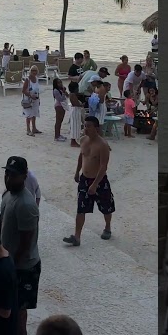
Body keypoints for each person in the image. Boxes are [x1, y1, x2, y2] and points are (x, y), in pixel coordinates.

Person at [0, 156, 41, 335]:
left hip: (23, 268)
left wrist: (10, 267)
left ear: (24, 176)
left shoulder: (27, 205)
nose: (8, 178)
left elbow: (26, 244)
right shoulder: (7, 195)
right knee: (6, 310)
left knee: (18, 314)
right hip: (7, 262)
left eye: (13, 175)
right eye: (7, 173)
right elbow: (0, 222)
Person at [63, 117, 114, 246]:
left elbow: (103, 166)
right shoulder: (83, 140)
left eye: (89, 126)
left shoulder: (103, 145)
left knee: (106, 207)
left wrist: (95, 184)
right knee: (81, 208)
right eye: (85, 126)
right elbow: (82, 156)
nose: (86, 128)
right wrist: (77, 172)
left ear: (96, 128)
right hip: (84, 179)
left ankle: (107, 227)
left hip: (99, 181)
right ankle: (77, 237)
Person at [22, 66, 43, 136]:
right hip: (28, 99)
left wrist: (38, 99)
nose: (34, 72)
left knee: (34, 113)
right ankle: (28, 130)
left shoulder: (36, 79)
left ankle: (34, 128)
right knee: (28, 114)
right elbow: (23, 90)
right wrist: (30, 95)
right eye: (33, 70)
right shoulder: (27, 80)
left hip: (35, 99)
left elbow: (37, 89)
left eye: (35, 70)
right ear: (30, 71)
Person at [66, 82, 85, 148]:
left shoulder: (71, 94)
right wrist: (82, 104)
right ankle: (73, 142)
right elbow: (76, 104)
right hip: (75, 111)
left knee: (75, 126)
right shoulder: (73, 95)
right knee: (75, 126)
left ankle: (74, 141)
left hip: (75, 111)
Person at [50, 78, 69, 143]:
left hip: (63, 106)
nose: (60, 84)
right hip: (59, 106)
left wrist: (64, 91)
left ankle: (59, 134)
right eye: (58, 83)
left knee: (60, 121)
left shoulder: (61, 89)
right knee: (58, 121)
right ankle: (56, 136)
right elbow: (61, 99)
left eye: (60, 82)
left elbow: (67, 96)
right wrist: (63, 92)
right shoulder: (55, 90)